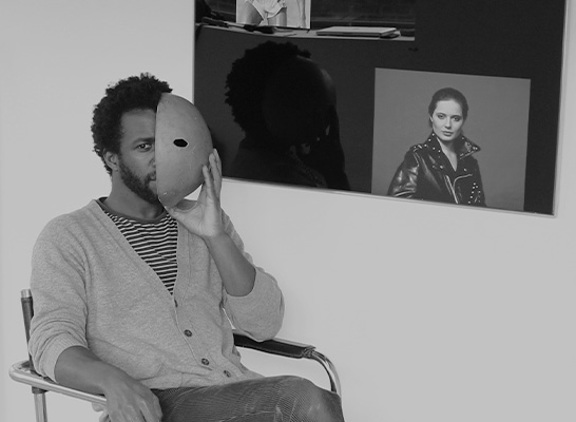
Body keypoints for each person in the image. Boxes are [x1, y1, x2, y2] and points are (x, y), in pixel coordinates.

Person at [28, 73, 345, 422]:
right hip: (153, 407)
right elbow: (50, 340)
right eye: (144, 146)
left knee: (298, 403)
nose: (161, 158)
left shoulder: (206, 221)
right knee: (302, 399)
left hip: (234, 399)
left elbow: (264, 324)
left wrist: (216, 236)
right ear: (111, 158)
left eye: (169, 143)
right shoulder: (70, 237)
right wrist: (112, 381)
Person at [225, 41, 350, 191]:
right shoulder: (280, 180)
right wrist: (335, 175)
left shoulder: (270, 155)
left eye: (325, 111)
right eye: (310, 107)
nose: (324, 122)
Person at [387, 87, 486, 206]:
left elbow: (480, 210)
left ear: (463, 120)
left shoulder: (471, 164)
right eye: (441, 116)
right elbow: (396, 206)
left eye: (456, 118)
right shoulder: (417, 158)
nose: (448, 125)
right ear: (431, 117)